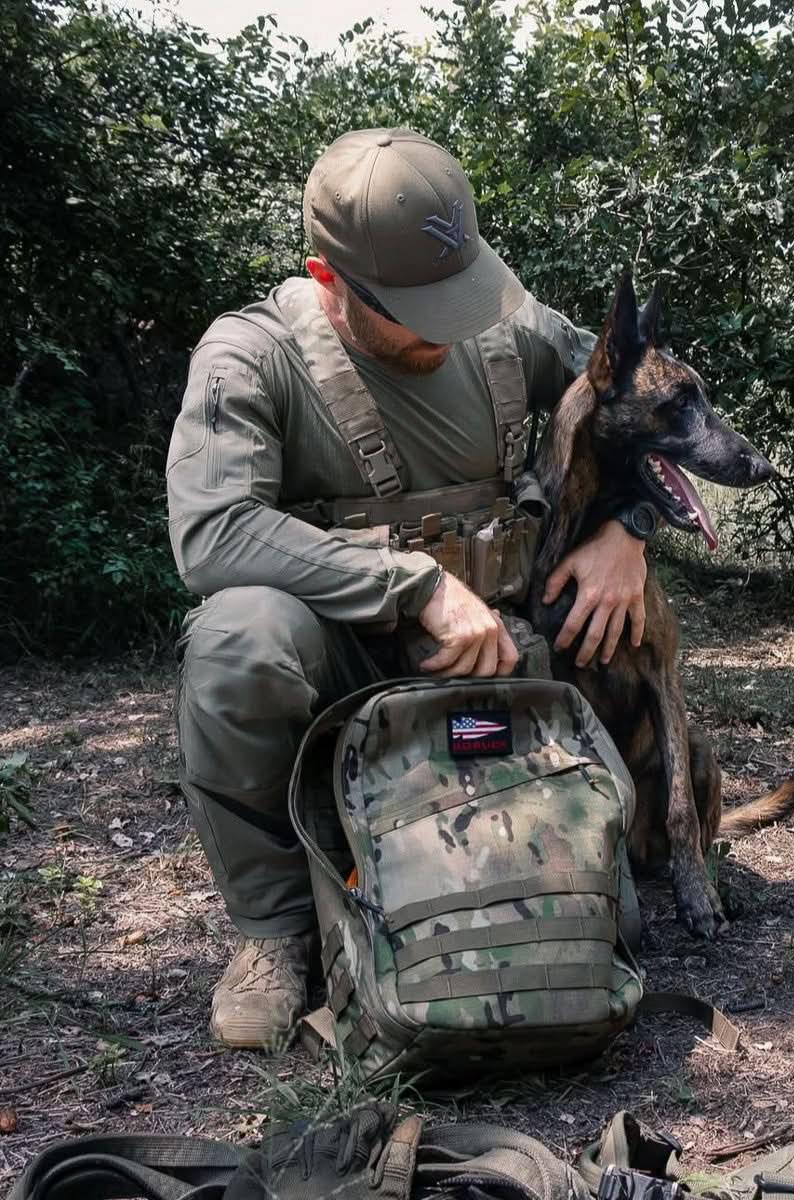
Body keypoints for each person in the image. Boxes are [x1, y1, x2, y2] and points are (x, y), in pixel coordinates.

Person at [166, 128, 651, 1049]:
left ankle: (585, 867)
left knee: (612, 604)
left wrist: (628, 530)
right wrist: (409, 583)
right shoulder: (251, 358)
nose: (450, 328)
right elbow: (211, 531)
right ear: (326, 278)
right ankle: (278, 935)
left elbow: (644, 396)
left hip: (505, 667)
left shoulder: (512, 330)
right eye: (413, 310)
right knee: (238, 638)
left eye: (458, 294)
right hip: (342, 677)